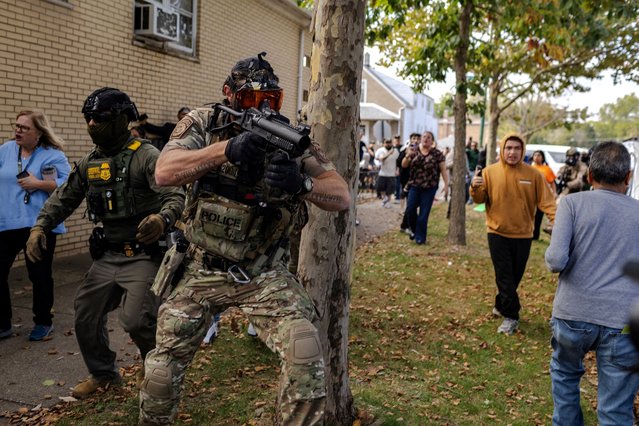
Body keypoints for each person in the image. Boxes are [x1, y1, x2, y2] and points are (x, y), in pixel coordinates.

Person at [138, 52, 350, 425]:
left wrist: (302, 183)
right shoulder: (203, 123)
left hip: (262, 273)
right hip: (200, 269)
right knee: (161, 372)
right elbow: (164, 172)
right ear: (230, 94)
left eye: (273, 99)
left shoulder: (289, 138)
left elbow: (340, 195)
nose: (264, 107)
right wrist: (225, 150)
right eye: (253, 99)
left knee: (304, 348)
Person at [25, 88, 185, 398]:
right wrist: (40, 227)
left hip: (144, 254)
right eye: (88, 118)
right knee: (85, 313)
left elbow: (175, 193)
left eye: (100, 118)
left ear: (123, 120)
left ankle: (155, 367)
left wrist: (162, 219)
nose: (92, 124)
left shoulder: (146, 155)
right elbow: (63, 198)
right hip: (108, 255)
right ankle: (104, 374)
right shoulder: (89, 163)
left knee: (137, 320)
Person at [545, 141, 639, 425]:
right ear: (628, 176)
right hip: (624, 320)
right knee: (616, 410)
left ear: (589, 176)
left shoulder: (572, 204)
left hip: (573, 313)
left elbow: (555, 261)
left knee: (565, 375)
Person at [470, 133, 556, 335]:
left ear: (522, 151)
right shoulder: (489, 172)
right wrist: (474, 187)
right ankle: (511, 316)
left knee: (514, 277)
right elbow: (479, 200)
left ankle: (501, 304)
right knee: (505, 276)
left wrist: (557, 220)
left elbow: (547, 202)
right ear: (502, 149)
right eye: (508, 148)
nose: (512, 152)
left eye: (517, 148)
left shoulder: (534, 175)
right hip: (497, 232)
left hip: (524, 234)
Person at [0, 109, 71, 341]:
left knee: (39, 275)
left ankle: (43, 322)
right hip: (7, 223)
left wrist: (38, 183)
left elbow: (69, 185)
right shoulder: (6, 150)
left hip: (39, 225)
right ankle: (3, 324)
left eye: (24, 127)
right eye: (17, 126)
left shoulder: (53, 155)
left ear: (38, 132)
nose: (18, 131)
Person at [401, 131, 448, 245]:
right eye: (424, 137)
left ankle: (420, 238)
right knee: (411, 209)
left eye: (428, 137)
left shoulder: (437, 154)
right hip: (414, 186)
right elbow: (404, 165)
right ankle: (414, 230)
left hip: (429, 187)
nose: (425, 139)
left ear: (432, 141)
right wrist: (408, 155)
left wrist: (446, 185)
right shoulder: (413, 151)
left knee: (424, 213)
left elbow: (443, 169)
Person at [530, 150, 557, 240]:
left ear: (542, 157)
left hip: (542, 196)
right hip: (530, 196)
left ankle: (535, 235)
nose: (537, 157)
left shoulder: (547, 169)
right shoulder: (529, 168)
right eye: (535, 155)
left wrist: (554, 193)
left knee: (538, 216)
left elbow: (552, 182)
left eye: (539, 155)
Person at [398, 132, 420, 233]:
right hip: (406, 181)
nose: (415, 140)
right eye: (414, 138)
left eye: (417, 139)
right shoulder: (405, 150)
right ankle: (409, 226)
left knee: (412, 205)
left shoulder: (420, 152)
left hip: (417, 181)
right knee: (411, 205)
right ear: (410, 140)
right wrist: (407, 155)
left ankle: (405, 225)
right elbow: (400, 164)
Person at [374, 138, 399, 207]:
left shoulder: (395, 151)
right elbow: (381, 159)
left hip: (392, 173)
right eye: (386, 142)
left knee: (390, 189)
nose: (388, 144)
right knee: (380, 187)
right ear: (384, 143)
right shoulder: (380, 150)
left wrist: (397, 170)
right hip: (382, 172)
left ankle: (388, 202)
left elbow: (398, 161)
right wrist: (389, 154)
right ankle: (384, 199)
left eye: (389, 142)